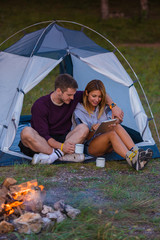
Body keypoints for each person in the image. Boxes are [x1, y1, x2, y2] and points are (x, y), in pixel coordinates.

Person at [19, 74, 124, 165]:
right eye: (69, 95)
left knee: (83, 128)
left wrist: (113, 106)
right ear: (59, 91)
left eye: (74, 94)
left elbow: (99, 93)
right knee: (26, 132)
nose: (73, 98)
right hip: (43, 142)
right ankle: (59, 155)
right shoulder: (40, 105)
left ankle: (52, 157)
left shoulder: (73, 98)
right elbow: (45, 136)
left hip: (66, 139)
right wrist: (61, 147)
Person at [72, 79, 153, 171]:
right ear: (86, 93)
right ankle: (132, 159)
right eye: (94, 96)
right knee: (112, 134)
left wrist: (117, 120)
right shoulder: (78, 112)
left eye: (100, 97)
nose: (97, 100)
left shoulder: (103, 107)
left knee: (116, 126)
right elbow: (83, 137)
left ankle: (137, 152)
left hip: (107, 142)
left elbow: (116, 120)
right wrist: (93, 130)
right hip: (90, 146)